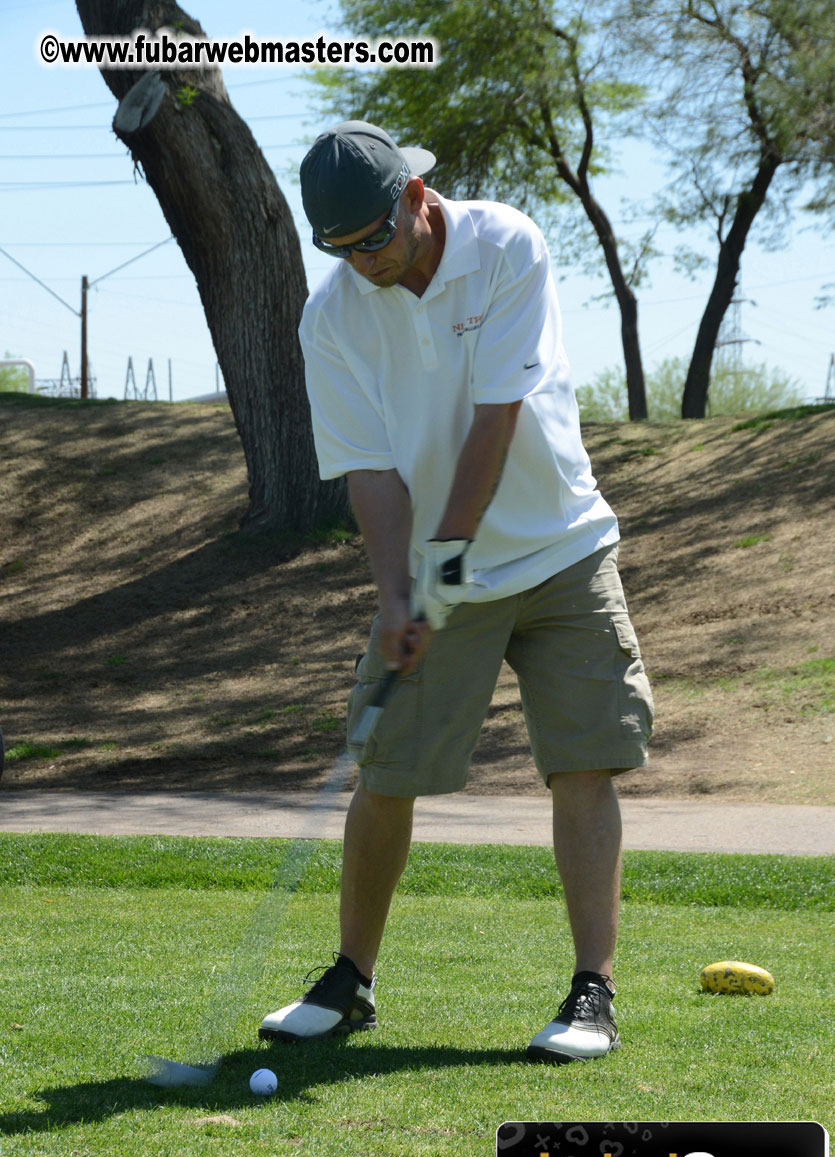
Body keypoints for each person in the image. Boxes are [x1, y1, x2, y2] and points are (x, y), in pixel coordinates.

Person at [259, 121, 653, 1063]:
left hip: (562, 548)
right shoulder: (332, 319)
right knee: (386, 768)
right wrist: (399, 595)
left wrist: (440, 559)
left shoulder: (504, 242)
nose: (363, 261)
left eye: (373, 238)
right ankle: (350, 980)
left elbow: (495, 417)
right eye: (340, 248)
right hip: (444, 574)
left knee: (584, 761)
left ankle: (591, 991)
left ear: (415, 197)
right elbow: (369, 471)